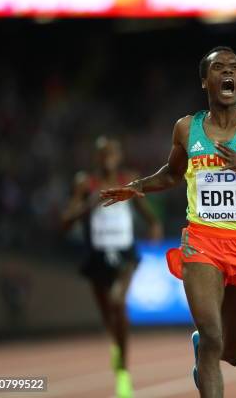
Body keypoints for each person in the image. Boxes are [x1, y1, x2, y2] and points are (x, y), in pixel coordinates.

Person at [100, 46, 236, 398]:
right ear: (205, 81)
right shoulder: (186, 129)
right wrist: (138, 187)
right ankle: (205, 345)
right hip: (202, 242)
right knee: (212, 336)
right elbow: (172, 174)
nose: (228, 72)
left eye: (234, 67)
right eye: (219, 67)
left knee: (234, 354)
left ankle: (203, 348)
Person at [61, 136, 163, 398]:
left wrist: (154, 224)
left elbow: (142, 206)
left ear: (119, 156)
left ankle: (123, 372)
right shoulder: (86, 183)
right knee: (108, 316)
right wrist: (88, 205)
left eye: (112, 153)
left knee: (118, 301)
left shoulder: (127, 178)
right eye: (103, 154)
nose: (108, 158)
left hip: (125, 253)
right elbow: (65, 221)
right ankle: (116, 344)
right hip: (97, 256)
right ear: (97, 158)